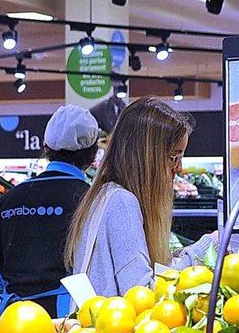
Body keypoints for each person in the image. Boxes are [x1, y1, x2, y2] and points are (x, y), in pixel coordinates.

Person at [64, 97, 215, 296]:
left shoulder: (104, 195)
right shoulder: (121, 202)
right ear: (147, 157)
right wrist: (204, 250)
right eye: (174, 157)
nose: (179, 168)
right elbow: (141, 293)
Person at [0, 105, 101, 316]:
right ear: (92, 154)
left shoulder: (4, 203)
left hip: (13, 318)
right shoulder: (93, 202)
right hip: (68, 320)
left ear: (45, 146)